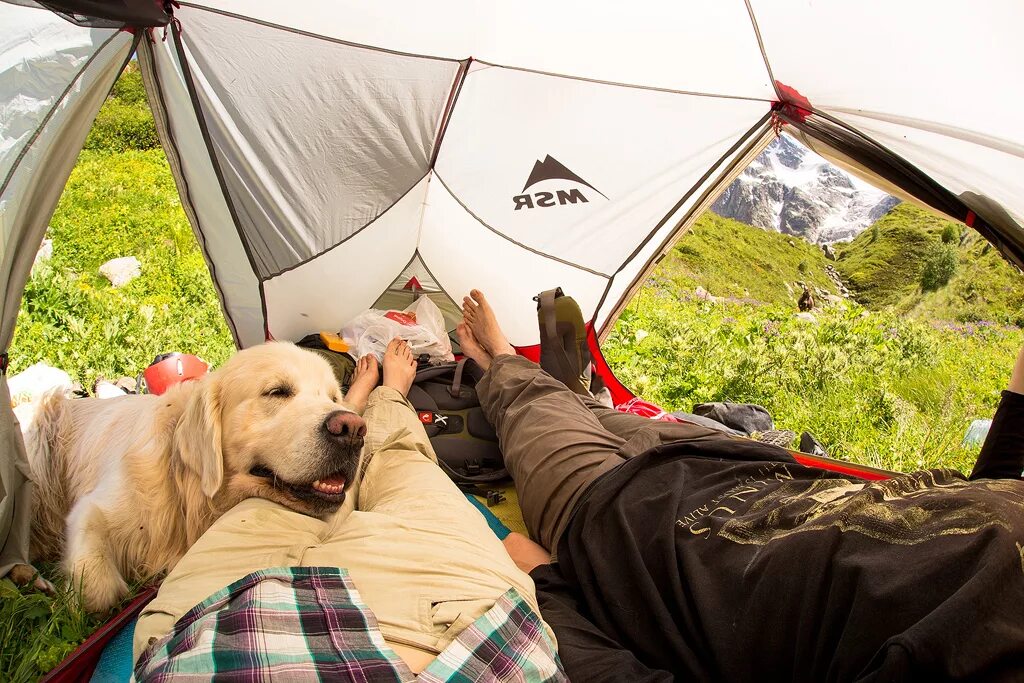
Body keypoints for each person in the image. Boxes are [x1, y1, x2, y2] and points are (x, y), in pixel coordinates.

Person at [457, 289, 1024, 682]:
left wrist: (547, 586)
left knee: (527, 406)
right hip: (734, 458)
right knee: (589, 409)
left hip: (627, 519)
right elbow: (1006, 466)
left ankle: (502, 363)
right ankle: (576, 393)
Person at [133, 337, 567, 681]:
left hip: (204, 635)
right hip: (486, 635)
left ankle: (357, 406)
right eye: (278, 391)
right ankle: (387, 398)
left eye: (334, 403)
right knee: (404, 459)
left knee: (284, 499)